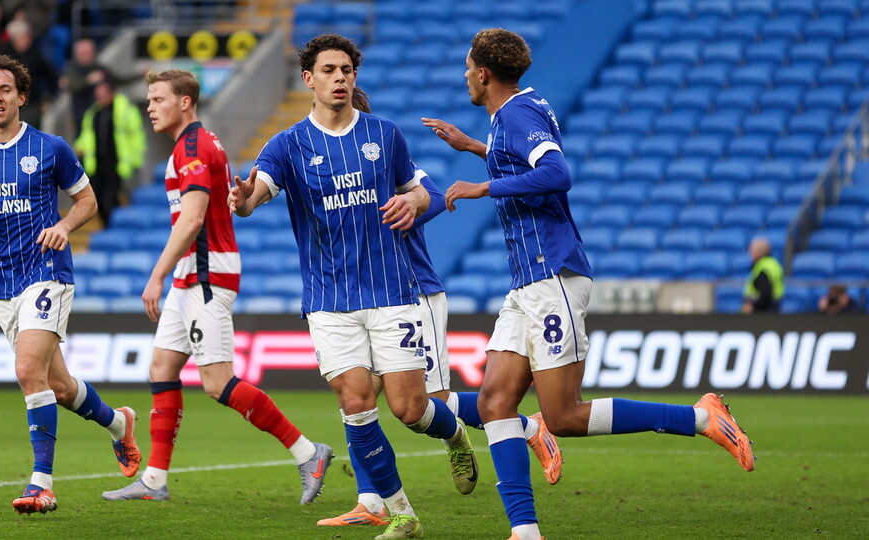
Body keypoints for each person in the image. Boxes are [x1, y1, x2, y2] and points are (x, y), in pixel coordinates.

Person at [424, 29, 755, 540]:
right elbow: (522, 164)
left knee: (564, 415)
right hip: (527, 280)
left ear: (484, 73)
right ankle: (524, 530)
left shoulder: (517, 114)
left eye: (468, 67)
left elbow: (556, 173)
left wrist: (483, 185)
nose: (465, 74)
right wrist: (474, 148)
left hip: (552, 274)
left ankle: (701, 417)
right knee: (494, 404)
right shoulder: (511, 115)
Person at [229, 34, 478, 540]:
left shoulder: (385, 135)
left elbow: (421, 192)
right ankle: (402, 514)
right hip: (329, 299)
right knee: (357, 404)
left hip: (392, 290)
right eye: (328, 70)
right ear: (309, 79)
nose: (339, 78)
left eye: (346, 70)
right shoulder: (288, 144)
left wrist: (416, 205)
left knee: (411, 409)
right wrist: (242, 199)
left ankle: (456, 436)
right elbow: (256, 195)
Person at [317, 90, 563, 530]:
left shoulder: (388, 163)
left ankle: (526, 427)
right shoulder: (332, 175)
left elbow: (430, 195)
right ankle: (371, 502)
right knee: (357, 401)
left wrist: (407, 205)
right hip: (364, 301)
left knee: (427, 401)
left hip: (414, 294)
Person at [0, 54, 142, 515]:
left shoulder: (50, 148)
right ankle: (119, 423)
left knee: (27, 372)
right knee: (57, 386)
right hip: (2, 287)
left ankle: (42, 483)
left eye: (6, 90)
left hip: (47, 271)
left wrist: (65, 225)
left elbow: (88, 201)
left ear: (21, 96)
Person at [101, 68, 333, 505]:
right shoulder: (196, 145)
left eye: (157, 98)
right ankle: (153, 480)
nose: (149, 106)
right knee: (162, 370)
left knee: (216, 382)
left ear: (185, 102)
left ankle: (307, 453)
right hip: (192, 275)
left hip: (206, 275)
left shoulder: (192, 147)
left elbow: (192, 219)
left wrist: (155, 275)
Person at [73, 72, 146, 226]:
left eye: (102, 94)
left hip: (117, 164)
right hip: (97, 164)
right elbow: (87, 135)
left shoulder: (125, 110)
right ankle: (110, 228)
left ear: (111, 93)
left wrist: (136, 159)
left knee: (112, 199)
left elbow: (136, 136)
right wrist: (79, 147)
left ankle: (118, 228)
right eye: (97, 95)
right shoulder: (93, 113)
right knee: (97, 199)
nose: (99, 98)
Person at [742, 237, 784, 313]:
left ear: (758, 252)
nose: (750, 253)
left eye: (751, 250)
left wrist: (752, 305)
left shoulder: (763, 268)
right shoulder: (773, 263)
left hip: (763, 313)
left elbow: (765, 295)